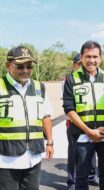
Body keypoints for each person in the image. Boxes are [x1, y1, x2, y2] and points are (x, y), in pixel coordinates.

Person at [63, 41, 104, 190]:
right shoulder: (71, 79)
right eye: (88, 56)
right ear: (81, 57)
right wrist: (89, 131)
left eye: (95, 56)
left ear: (100, 58)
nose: (91, 60)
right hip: (82, 136)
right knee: (81, 177)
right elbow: (69, 109)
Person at [0, 46, 54, 190]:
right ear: (8, 65)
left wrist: (49, 142)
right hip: (5, 159)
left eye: (29, 66)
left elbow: (46, 116)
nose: (25, 70)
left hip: (33, 157)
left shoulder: (39, 87)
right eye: (20, 66)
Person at [64, 53, 99, 189]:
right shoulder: (69, 80)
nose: (82, 66)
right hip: (75, 125)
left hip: (91, 124)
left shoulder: (91, 79)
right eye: (79, 64)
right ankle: (72, 181)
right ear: (74, 65)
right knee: (74, 154)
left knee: (91, 153)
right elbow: (69, 107)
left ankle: (91, 176)